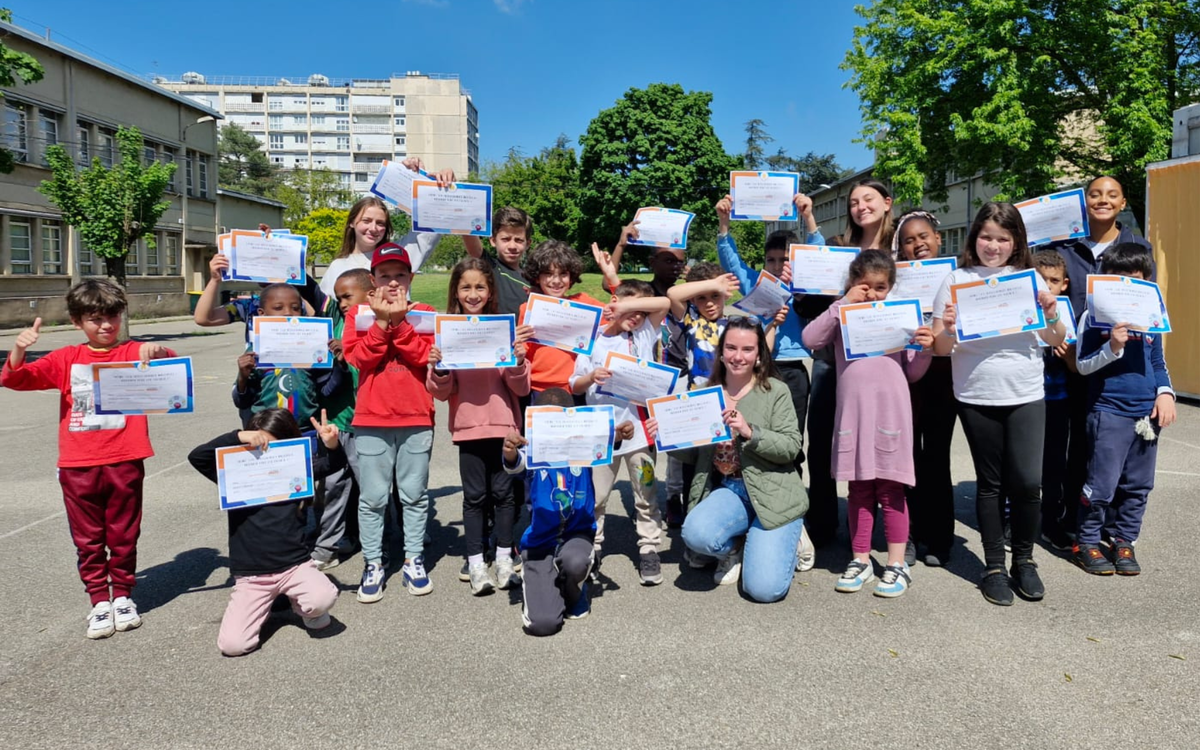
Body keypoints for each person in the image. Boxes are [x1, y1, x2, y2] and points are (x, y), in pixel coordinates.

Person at [1, 279, 176, 639]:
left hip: (125, 457)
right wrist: (18, 349)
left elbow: (173, 373)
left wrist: (158, 351)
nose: (106, 325)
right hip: (77, 463)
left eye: (112, 316)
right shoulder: (66, 358)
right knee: (88, 538)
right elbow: (17, 379)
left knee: (124, 532)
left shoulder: (134, 351)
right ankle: (98, 600)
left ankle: (122, 595)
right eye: (95, 319)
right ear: (77, 321)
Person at [932, 203, 1067, 606]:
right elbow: (940, 348)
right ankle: (993, 566)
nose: (993, 246)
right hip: (976, 393)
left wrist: (1051, 314)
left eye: (1003, 238)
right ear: (974, 237)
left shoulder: (1027, 278)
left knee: (1027, 482)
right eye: (986, 237)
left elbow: (1054, 338)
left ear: (1016, 242)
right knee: (990, 484)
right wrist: (949, 328)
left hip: (1025, 391)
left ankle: (1024, 560)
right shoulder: (956, 280)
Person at [802, 250, 933, 597]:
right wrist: (842, 303)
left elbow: (912, 372)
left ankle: (896, 564)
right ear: (852, 284)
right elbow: (810, 340)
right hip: (854, 416)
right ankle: (860, 559)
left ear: (890, 288)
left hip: (891, 415)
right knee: (859, 488)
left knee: (891, 490)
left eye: (880, 287)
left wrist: (925, 350)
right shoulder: (842, 315)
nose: (872, 293)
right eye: (864, 286)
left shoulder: (899, 317)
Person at [654, 316, 808, 603]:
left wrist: (750, 432)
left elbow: (791, 447)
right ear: (721, 352)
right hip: (730, 489)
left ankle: (789, 534)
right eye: (731, 348)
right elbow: (694, 454)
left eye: (747, 349)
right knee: (696, 535)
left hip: (773, 493)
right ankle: (736, 545)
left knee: (764, 590)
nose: (738, 357)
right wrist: (666, 437)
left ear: (759, 354)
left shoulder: (775, 391)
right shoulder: (704, 393)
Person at [715, 192, 824, 569]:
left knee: (788, 445)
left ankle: (792, 518)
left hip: (791, 369)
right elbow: (731, 260)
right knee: (746, 441)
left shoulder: (803, 284)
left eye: (784, 260)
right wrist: (725, 224)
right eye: (772, 260)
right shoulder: (756, 283)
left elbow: (819, 254)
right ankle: (746, 513)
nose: (778, 266)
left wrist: (809, 219)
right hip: (753, 371)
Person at [1044, 176, 1154, 547]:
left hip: (1118, 362)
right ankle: (1065, 518)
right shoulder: (1063, 245)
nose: (1102, 200)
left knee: (1109, 448)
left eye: (1111, 195)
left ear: (1123, 203)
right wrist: (1065, 347)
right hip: (1068, 355)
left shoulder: (1137, 246)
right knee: (1072, 443)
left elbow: (1149, 302)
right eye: (1095, 194)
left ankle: (1109, 526)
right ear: (1084, 200)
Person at [187, 409, 343, 656]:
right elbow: (197, 457)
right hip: (252, 574)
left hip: (294, 565)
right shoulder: (234, 472)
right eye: (259, 444)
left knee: (322, 598)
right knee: (233, 646)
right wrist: (239, 436)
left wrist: (331, 444)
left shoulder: (296, 467)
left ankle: (301, 606)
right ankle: (263, 605)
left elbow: (332, 464)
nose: (266, 453)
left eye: (274, 445)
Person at [798, 179, 895, 550]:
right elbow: (813, 303)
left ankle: (892, 530)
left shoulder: (899, 248)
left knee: (887, 444)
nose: (860, 207)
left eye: (868, 199)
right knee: (823, 441)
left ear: (887, 203)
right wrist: (799, 282)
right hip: (832, 360)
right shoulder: (838, 248)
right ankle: (823, 523)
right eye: (854, 202)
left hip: (887, 362)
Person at [427, 257, 531, 596]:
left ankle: (503, 559)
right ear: (455, 291)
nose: (473, 294)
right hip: (468, 427)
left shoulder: (503, 330)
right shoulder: (448, 332)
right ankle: (475, 563)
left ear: (490, 291)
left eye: (480, 287)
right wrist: (439, 368)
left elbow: (521, 388)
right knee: (474, 498)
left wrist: (518, 360)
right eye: (466, 287)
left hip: (504, 428)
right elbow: (441, 391)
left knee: (505, 496)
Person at [342, 243, 438, 602]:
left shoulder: (425, 313)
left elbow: (425, 357)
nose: (393, 282)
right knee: (373, 497)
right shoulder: (359, 314)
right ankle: (373, 562)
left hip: (416, 417)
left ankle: (414, 558)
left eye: (400, 274)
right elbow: (359, 359)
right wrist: (382, 322)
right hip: (371, 419)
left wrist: (399, 323)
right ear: (373, 280)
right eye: (385, 275)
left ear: (411, 277)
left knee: (414, 494)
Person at [1073, 243, 1175, 575]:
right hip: (1109, 411)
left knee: (1138, 485)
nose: (1127, 284)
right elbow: (1083, 365)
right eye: (1118, 278)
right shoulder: (1093, 317)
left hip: (1147, 415)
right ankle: (1087, 541)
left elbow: (1158, 363)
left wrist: (1165, 393)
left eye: (1135, 278)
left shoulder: (1153, 316)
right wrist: (1112, 346)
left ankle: (1124, 540)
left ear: (1146, 280)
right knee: (1101, 484)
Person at [503, 389, 635, 635]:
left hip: (577, 535)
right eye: (549, 424)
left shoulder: (584, 449)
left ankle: (573, 591)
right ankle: (542, 583)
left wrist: (619, 434)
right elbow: (515, 463)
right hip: (540, 543)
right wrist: (509, 449)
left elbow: (608, 440)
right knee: (543, 625)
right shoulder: (534, 453)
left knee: (575, 562)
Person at [570, 277, 671, 585]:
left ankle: (649, 547)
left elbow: (665, 302)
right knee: (598, 496)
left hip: (640, 431)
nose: (636, 316)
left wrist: (628, 306)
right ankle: (594, 547)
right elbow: (575, 384)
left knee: (645, 492)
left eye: (641, 311)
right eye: (630, 309)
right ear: (614, 305)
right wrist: (591, 377)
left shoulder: (643, 333)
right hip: (602, 433)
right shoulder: (592, 340)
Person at [599, 222, 690, 526]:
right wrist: (621, 245)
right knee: (647, 442)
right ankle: (662, 498)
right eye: (668, 260)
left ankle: (672, 498)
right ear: (652, 262)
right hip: (642, 387)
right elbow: (615, 289)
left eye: (680, 261)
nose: (675, 266)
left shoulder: (680, 293)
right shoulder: (642, 294)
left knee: (675, 443)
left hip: (676, 376)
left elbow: (668, 299)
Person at [893, 210, 958, 566]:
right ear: (901, 248)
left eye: (923, 237)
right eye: (909, 240)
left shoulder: (956, 277)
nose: (918, 244)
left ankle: (940, 536)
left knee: (936, 454)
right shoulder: (895, 280)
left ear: (938, 239)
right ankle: (910, 533)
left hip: (943, 372)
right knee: (907, 456)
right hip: (905, 373)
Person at [309, 268, 374, 571]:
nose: (343, 303)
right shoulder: (335, 317)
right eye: (338, 298)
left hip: (368, 423)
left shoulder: (381, 323)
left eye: (348, 296)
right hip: (335, 422)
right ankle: (327, 547)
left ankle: (378, 546)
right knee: (332, 488)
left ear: (370, 293)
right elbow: (307, 287)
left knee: (371, 490)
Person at [318, 158, 456, 298]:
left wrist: (438, 184)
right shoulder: (337, 267)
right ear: (352, 223)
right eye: (366, 221)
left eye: (380, 223)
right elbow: (323, 308)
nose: (373, 228)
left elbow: (433, 223)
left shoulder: (401, 254)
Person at [518, 240, 606, 395]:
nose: (556, 281)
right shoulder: (528, 308)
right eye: (548, 274)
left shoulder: (584, 303)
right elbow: (523, 350)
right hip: (537, 388)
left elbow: (620, 314)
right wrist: (516, 341)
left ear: (571, 277)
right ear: (537, 277)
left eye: (563, 274)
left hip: (575, 387)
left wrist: (610, 275)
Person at [1032, 250, 1077, 551]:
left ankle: (1050, 521)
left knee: (1054, 464)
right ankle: (1011, 519)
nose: (1047, 286)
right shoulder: (1019, 307)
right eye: (1041, 280)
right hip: (1025, 397)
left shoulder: (1067, 311)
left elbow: (1075, 361)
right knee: (1022, 465)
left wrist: (1068, 353)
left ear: (1064, 284)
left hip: (1058, 398)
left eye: (1054, 280)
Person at [463, 206, 534, 316]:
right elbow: (475, 248)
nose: (512, 246)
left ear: (528, 244)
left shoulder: (535, 279)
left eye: (518, 240)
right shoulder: (490, 267)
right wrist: (462, 207)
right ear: (493, 240)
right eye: (505, 239)